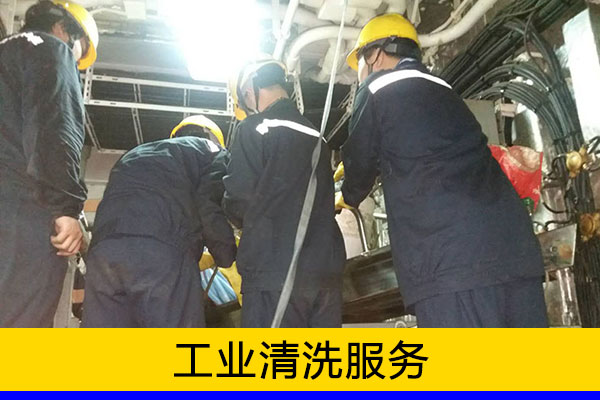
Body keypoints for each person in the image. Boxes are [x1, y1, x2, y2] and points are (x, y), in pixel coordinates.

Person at [338, 14, 548, 328]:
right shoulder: (445, 90)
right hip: (514, 254)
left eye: (360, 65)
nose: (360, 76)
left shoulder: (377, 87)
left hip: (450, 263)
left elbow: (358, 173)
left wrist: (345, 194)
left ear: (375, 55)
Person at [223, 56, 346, 328]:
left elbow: (239, 199)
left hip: (274, 271)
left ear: (250, 91)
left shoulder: (254, 128)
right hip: (325, 274)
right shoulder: (318, 138)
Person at [81, 117, 236, 327]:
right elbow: (209, 206)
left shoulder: (137, 152)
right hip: (160, 251)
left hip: (104, 251)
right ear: (214, 138)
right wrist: (226, 253)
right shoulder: (213, 151)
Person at [0, 0, 99, 327]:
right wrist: (65, 209)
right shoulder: (50, 50)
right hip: (19, 213)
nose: (75, 61)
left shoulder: (6, 53)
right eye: (78, 52)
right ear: (64, 29)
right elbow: (55, 130)